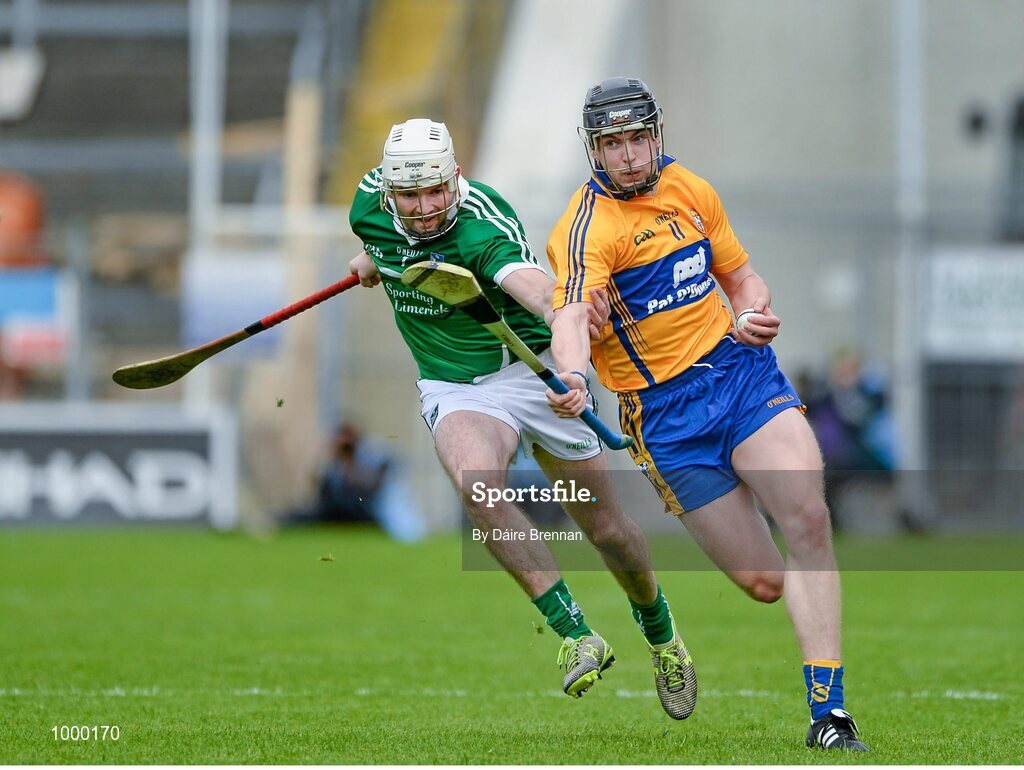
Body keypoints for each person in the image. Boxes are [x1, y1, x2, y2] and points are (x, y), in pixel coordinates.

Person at [545, 78, 870, 750]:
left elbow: (741, 276)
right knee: (763, 582)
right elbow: (572, 314)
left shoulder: (691, 189)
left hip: (740, 375)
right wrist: (573, 372)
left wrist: (752, 310)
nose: (631, 156)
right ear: (593, 150)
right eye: (614, 144)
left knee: (807, 518)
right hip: (665, 418)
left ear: (657, 134)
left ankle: (829, 717)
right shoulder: (586, 229)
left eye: (639, 138)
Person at [347, 118, 696, 718]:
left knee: (608, 531)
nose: (427, 208)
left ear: (456, 176)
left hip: (534, 368)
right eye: (411, 197)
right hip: (457, 387)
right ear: (388, 194)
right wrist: (375, 256)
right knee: (476, 483)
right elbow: (386, 235)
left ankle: (663, 636)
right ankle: (576, 635)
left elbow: (534, 288)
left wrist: (574, 357)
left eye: (437, 191)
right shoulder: (368, 207)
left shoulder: (482, 222)